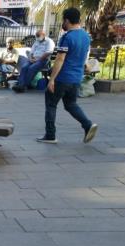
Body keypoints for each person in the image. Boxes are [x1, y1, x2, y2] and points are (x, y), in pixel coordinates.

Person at [38, 8, 97, 144]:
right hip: (76, 78)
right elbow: (83, 56)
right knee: (71, 104)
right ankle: (88, 125)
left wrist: (52, 79)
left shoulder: (67, 37)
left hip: (63, 77)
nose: (62, 23)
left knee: (51, 104)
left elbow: (60, 59)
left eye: (63, 21)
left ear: (67, 20)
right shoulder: (85, 36)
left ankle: (50, 135)